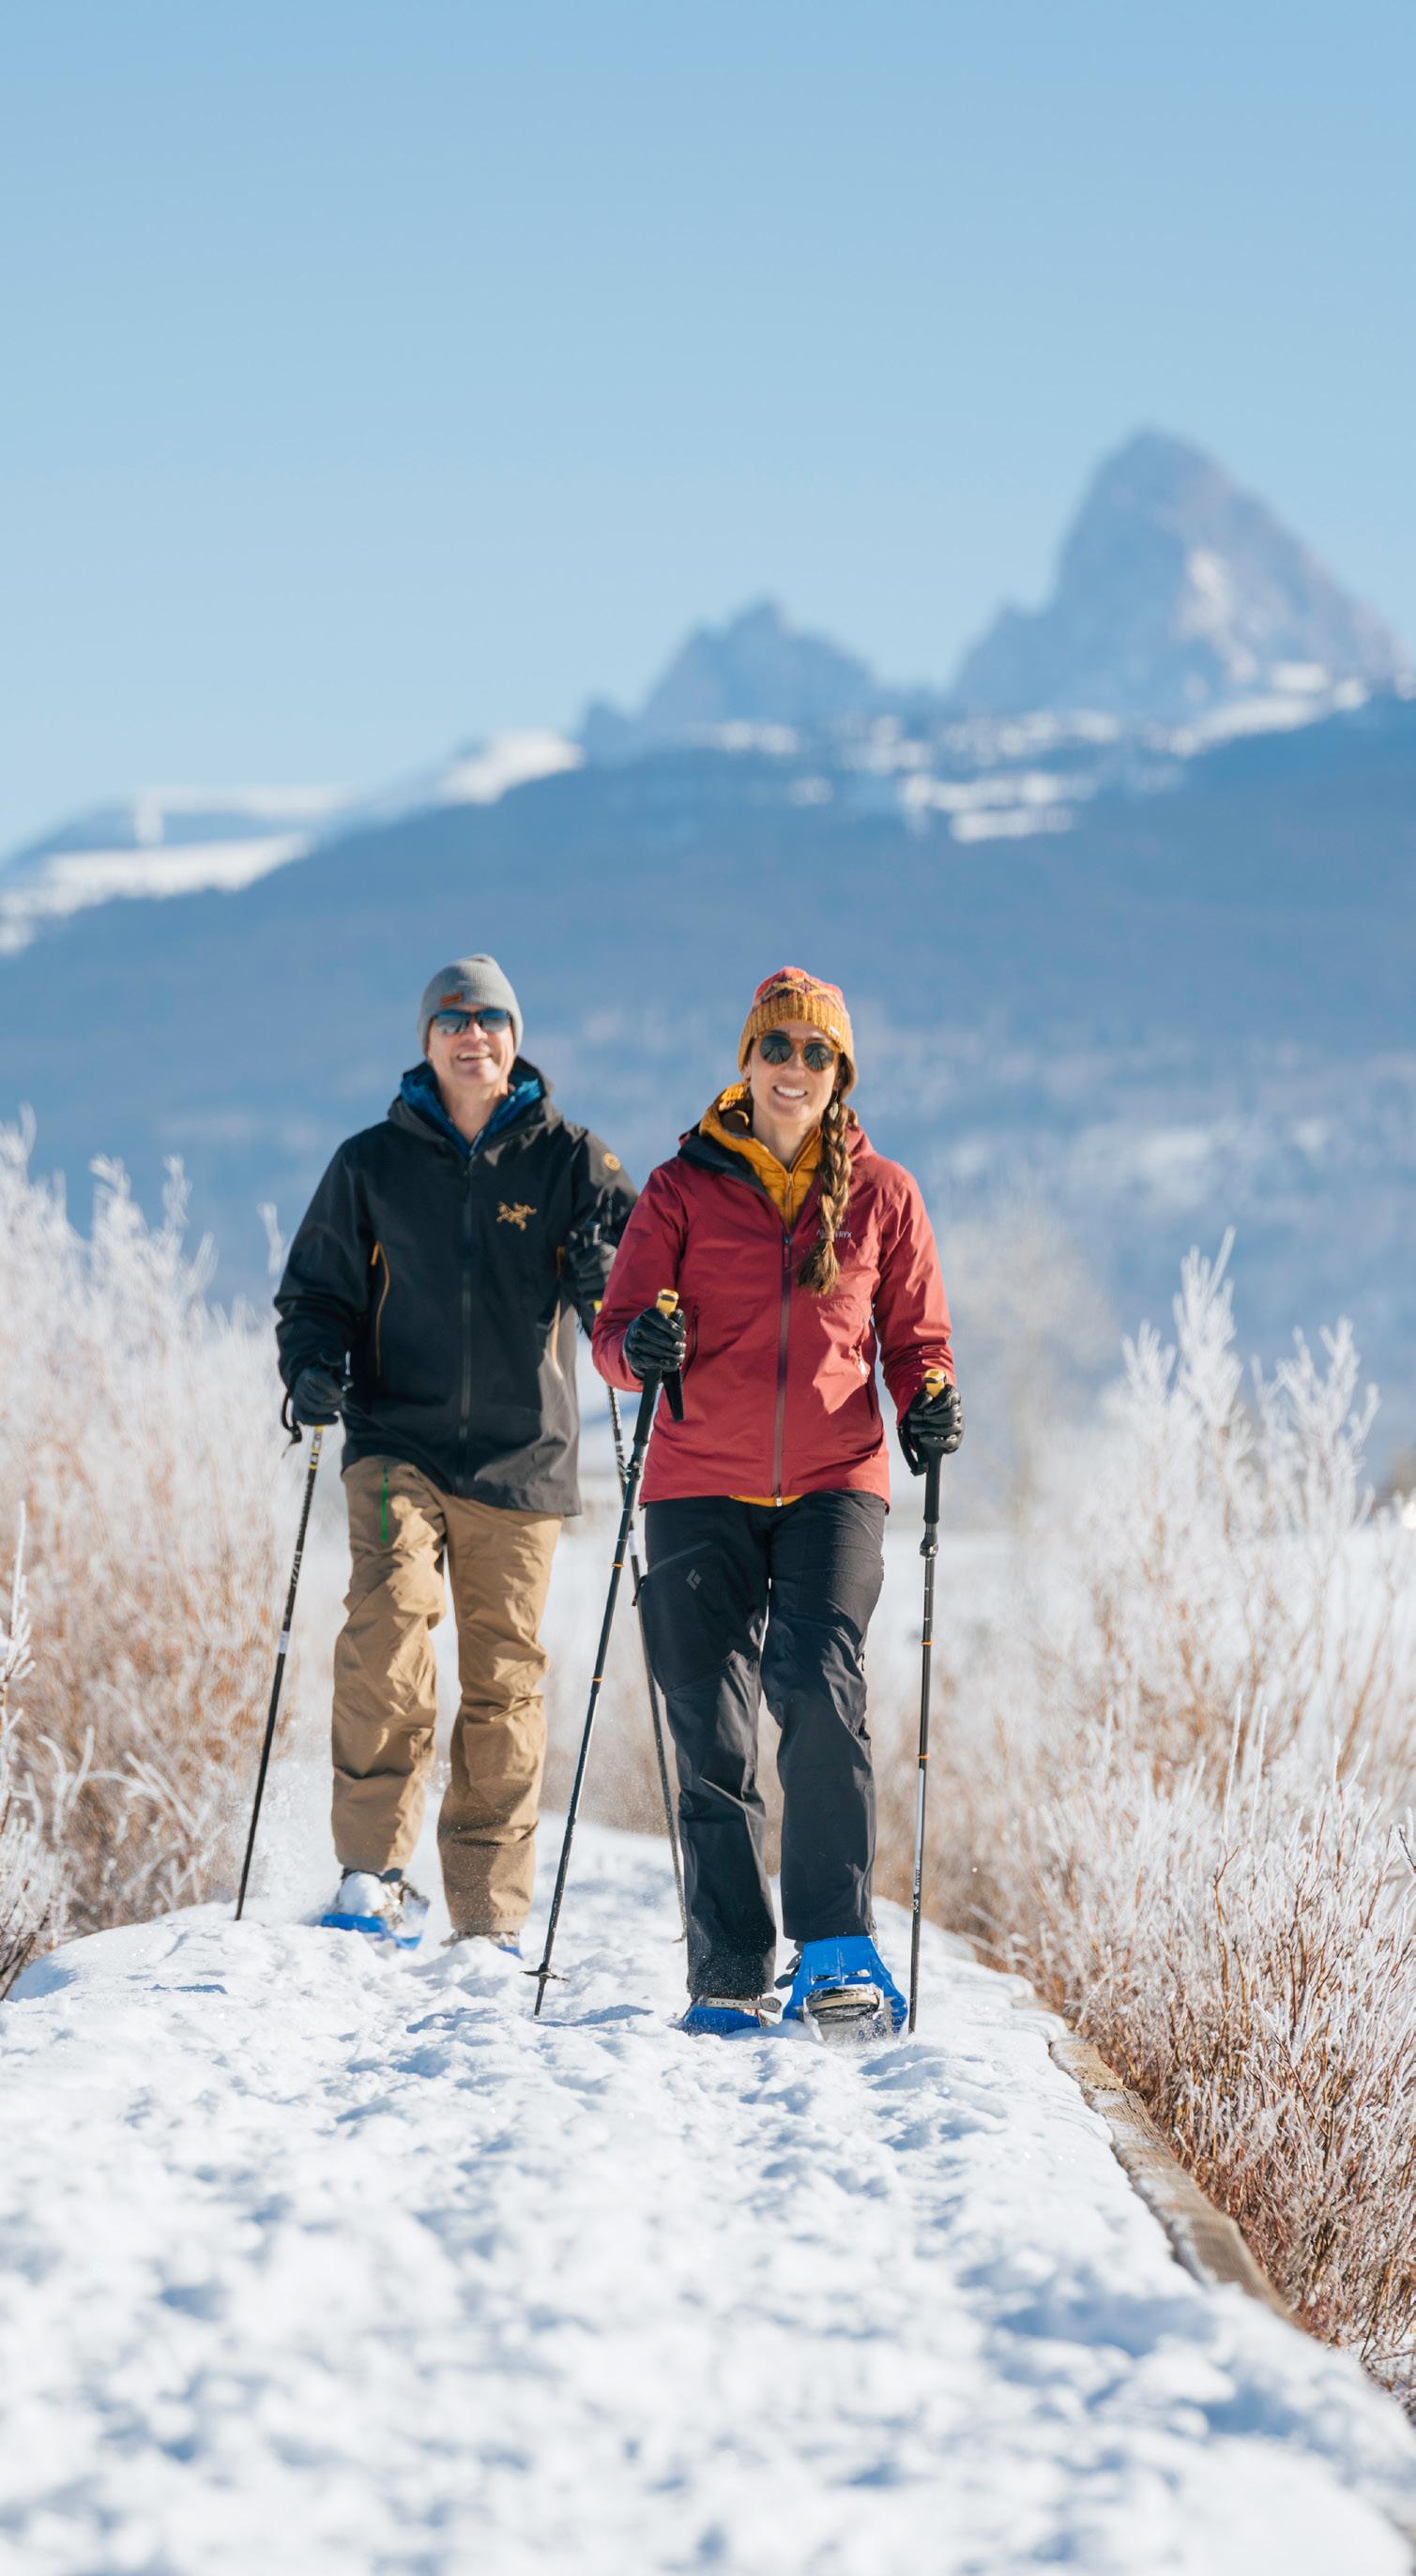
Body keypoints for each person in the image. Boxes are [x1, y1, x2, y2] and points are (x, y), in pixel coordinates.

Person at [592, 966, 961, 2038]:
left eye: (816, 1052)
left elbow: (918, 1343)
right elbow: (613, 1336)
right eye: (776, 1047)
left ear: (840, 1073)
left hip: (834, 1484)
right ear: (746, 1061)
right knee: (709, 1726)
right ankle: (728, 1967)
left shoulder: (884, 1194)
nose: (793, 1067)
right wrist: (639, 1348)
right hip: (695, 1481)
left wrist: (930, 1400)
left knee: (816, 1683)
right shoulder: (679, 1190)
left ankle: (836, 1947)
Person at [275, 955, 634, 1950]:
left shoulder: (573, 1160)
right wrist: (310, 1367)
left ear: (515, 1037)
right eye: (451, 1020)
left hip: (523, 1458)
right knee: (386, 1629)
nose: (472, 1034)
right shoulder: (370, 1163)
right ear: (426, 1041)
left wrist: (607, 1281)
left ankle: (486, 1911)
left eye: (489, 1019)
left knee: (503, 1680)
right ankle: (371, 1873)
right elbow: (315, 1295)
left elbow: (636, 1291)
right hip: (395, 1440)